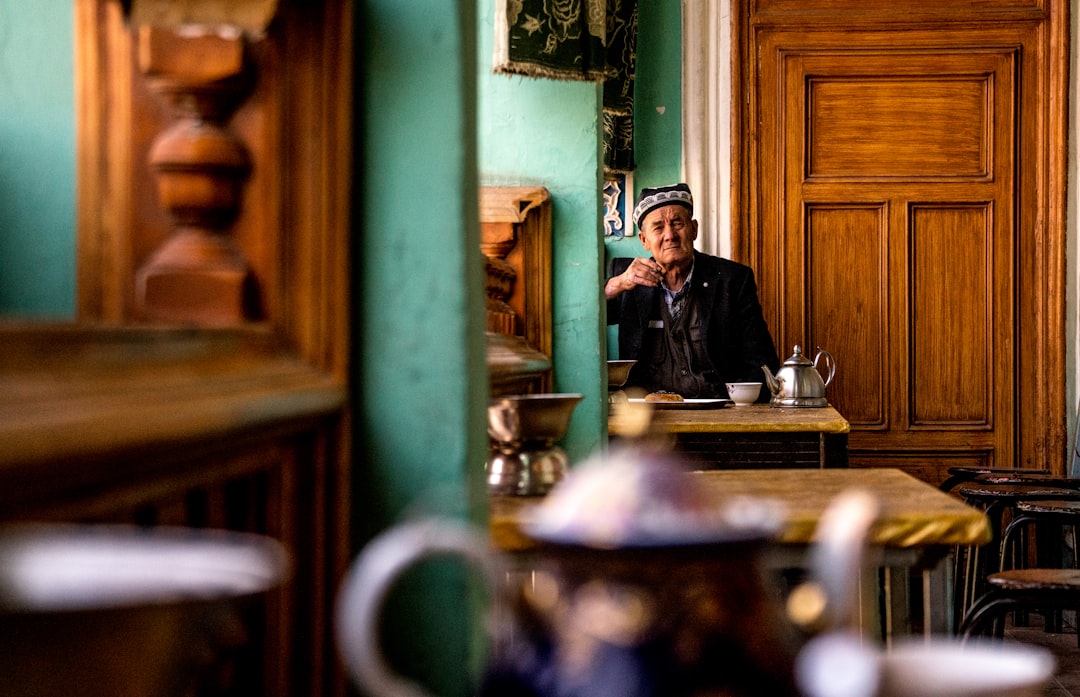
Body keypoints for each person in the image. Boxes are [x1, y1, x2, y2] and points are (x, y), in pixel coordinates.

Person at [606, 182, 781, 401]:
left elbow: (761, 362)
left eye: (677, 223)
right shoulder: (628, 278)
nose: (670, 235)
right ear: (644, 240)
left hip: (717, 413)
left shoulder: (731, 279)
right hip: (646, 419)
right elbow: (582, 322)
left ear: (694, 229)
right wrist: (616, 284)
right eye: (658, 227)